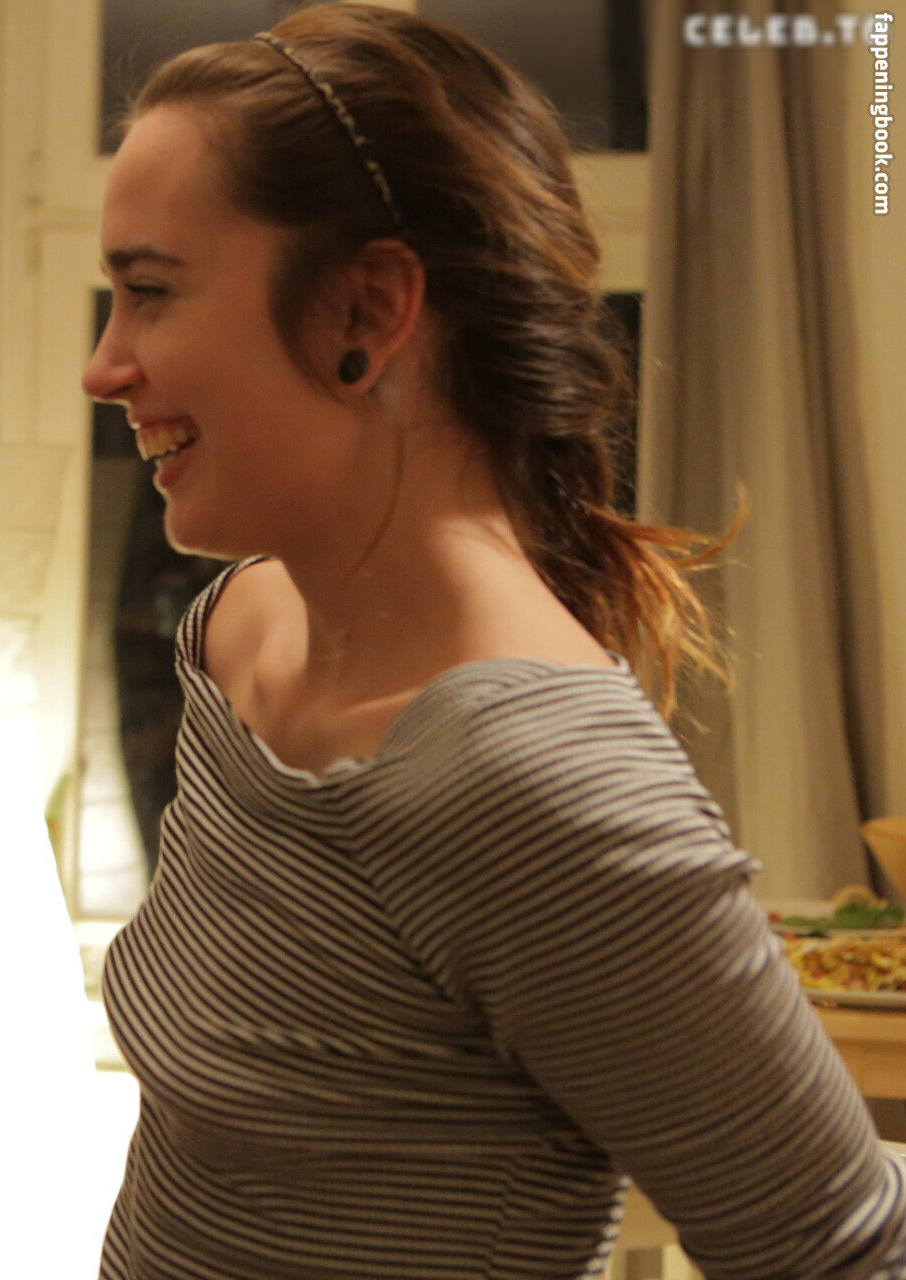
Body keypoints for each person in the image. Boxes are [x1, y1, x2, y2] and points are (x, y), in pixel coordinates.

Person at [83, 6, 906, 1278]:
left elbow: (840, 1248)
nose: (104, 365)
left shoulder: (534, 780)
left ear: (367, 309)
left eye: (150, 291)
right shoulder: (242, 629)